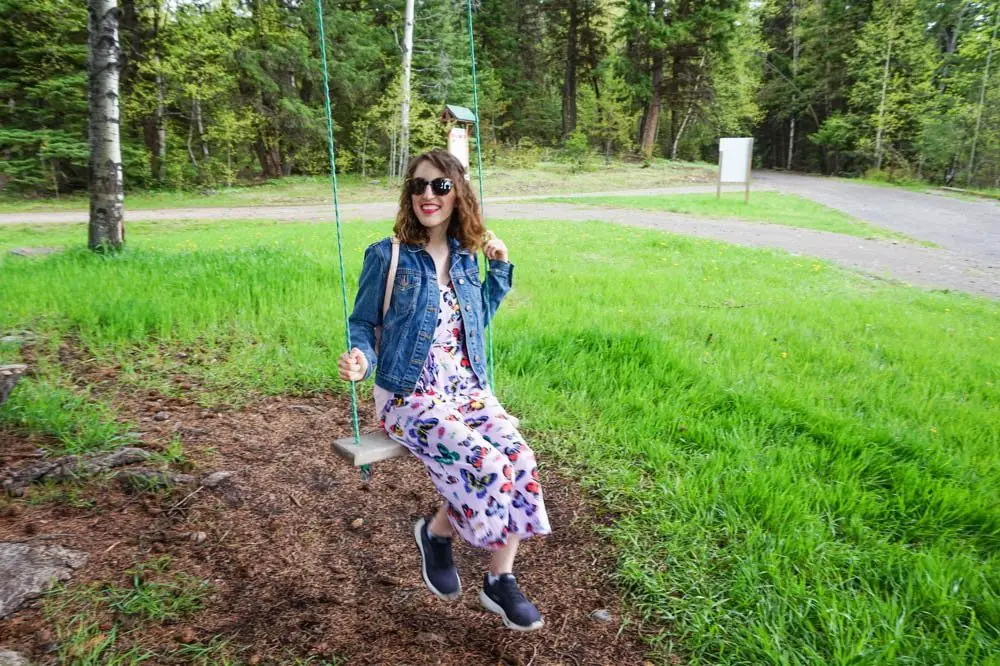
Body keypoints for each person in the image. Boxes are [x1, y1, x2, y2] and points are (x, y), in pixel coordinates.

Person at [337, 149, 551, 631]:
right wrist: (359, 360)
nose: (427, 196)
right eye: (418, 186)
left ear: (458, 195)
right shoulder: (386, 255)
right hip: (408, 393)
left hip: (466, 387)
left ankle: (497, 579)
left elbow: (473, 324)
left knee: (520, 460)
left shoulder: (464, 256)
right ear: (407, 194)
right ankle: (437, 533)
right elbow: (362, 324)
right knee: (487, 463)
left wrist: (498, 268)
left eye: (439, 186)